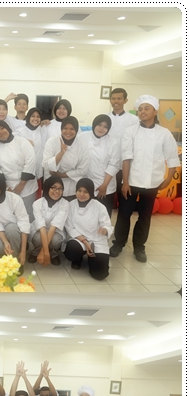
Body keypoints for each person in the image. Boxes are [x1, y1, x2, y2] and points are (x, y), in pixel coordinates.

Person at [112, 94, 180, 263]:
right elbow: (126, 157)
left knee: (145, 216)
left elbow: (172, 158)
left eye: (146, 108)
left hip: (152, 182)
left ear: (155, 111)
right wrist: (125, 182)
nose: (142, 112)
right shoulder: (131, 131)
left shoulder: (164, 134)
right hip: (131, 181)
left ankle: (139, 247)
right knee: (124, 213)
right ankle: (118, 243)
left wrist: (168, 179)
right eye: (140, 109)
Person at [64, 178, 113, 279]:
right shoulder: (70, 205)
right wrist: (85, 242)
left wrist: (105, 230)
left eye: (86, 192)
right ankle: (77, 259)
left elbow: (107, 225)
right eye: (79, 191)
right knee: (71, 250)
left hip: (97, 240)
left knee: (100, 275)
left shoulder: (99, 207)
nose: (81, 194)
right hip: (80, 240)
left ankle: (93, 259)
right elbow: (70, 227)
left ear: (91, 192)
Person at [0, 120, 37, 219]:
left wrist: (21, 185)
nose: (1, 132)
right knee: (12, 215)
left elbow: (30, 161)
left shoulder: (22, 141)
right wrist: (7, 187)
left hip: (26, 187)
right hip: (9, 188)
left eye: (2, 128)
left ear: (8, 128)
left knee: (28, 214)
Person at [0, 172, 30, 264]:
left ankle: (16, 261)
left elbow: (24, 222)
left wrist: (23, 251)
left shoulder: (14, 199)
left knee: (11, 228)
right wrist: (5, 242)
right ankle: (8, 257)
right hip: (1, 233)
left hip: (16, 232)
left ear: (2, 186)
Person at [82, 114, 121, 214]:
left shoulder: (113, 142)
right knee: (86, 215)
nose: (101, 128)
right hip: (86, 184)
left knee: (103, 215)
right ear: (94, 124)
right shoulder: (82, 137)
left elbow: (114, 165)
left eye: (105, 126)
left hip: (106, 186)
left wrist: (104, 186)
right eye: (99, 124)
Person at [42, 116, 89, 200]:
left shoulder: (82, 145)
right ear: (61, 129)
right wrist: (61, 153)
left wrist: (61, 175)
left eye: (72, 129)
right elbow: (46, 165)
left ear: (76, 130)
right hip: (51, 186)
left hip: (71, 187)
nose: (68, 132)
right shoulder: (52, 141)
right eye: (65, 128)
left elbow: (83, 170)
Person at [28, 176, 68, 266]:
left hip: (55, 231)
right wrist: (45, 251)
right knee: (37, 238)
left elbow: (54, 226)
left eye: (60, 188)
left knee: (56, 240)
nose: (57, 191)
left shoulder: (65, 204)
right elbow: (41, 227)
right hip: (40, 231)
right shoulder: (37, 203)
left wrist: (44, 252)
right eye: (53, 187)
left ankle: (53, 253)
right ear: (47, 188)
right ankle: (36, 251)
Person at [15, 108, 45, 183]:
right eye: (33, 116)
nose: (35, 119)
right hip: (23, 172)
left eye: (38, 116)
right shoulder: (20, 131)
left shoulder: (42, 130)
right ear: (28, 117)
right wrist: (24, 141)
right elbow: (12, 142)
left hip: (38, 171)